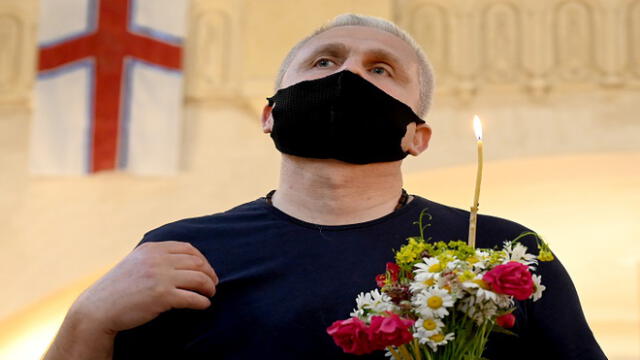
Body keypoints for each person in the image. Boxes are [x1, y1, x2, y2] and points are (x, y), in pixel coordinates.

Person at [43, 14, 606, 360]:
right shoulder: (179, 253)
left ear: (418, 135)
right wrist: (87, 319)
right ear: (270, 115)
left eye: (381, 69)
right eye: (325, 60)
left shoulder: (503, 255)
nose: (348, 75)